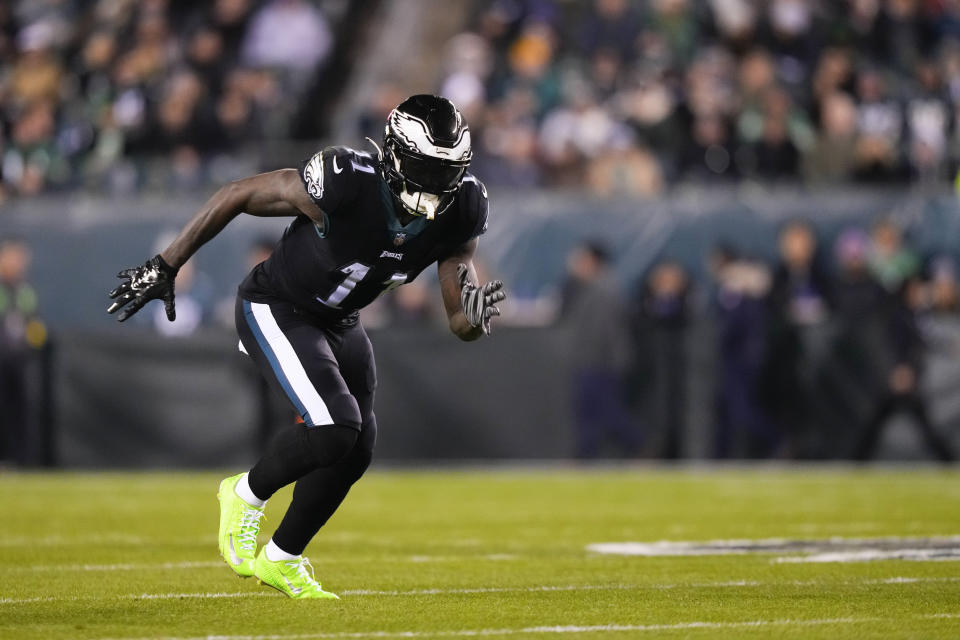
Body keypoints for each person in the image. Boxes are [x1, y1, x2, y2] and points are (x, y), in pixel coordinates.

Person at [106, 95, 505, 599]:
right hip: (278, 305)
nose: (442, 184)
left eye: (451, 170)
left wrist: (471, 321)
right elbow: (237, 193)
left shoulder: (462, 207)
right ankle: (244, 493)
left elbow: (456, 316)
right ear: (398, 154)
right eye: (431, 168)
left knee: (357, 448)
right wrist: (165, 265)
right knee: (336, 426)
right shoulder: (346, 180)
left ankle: (282, 557)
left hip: (339, 320)